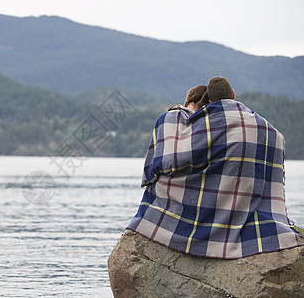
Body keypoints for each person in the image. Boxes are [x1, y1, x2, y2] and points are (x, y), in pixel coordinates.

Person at [126, 76, 301, 259]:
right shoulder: (268, 129)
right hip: (251, 204)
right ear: (233, 94)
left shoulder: (205, 124)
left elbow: (174, 161)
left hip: (207, 207)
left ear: (209, 101)